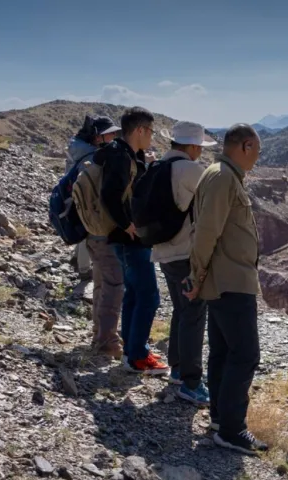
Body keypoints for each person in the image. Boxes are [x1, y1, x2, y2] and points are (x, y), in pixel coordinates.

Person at [184, 124, 268, 455]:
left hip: (225, 281)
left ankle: (220, 420)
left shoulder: (220, 173)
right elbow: (206, 232)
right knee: (246, 354)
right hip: (230, 282)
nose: (257, 158)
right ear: (245, 146)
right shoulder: (223, 178)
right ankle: (233, 430)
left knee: (223, 352)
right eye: (257, 151)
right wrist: (195, 275)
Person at [96, 106, 169, 375]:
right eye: (150, 131)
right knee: (149, 295)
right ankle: (138, 355)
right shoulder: (119, 156)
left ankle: (131, 353)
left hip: (125, 238)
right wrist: (127, 225)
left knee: (135, 294)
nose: (151, 136)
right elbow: (110, 195)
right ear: (139, 130)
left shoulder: (127, 154)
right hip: (128, 238)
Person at [151, 121, 215, 405]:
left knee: (181, 309)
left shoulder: (157, 168)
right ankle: (191, 382)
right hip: (185, 254)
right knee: (193, 314)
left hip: (162, 252)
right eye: (199, 147)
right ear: (191, 146)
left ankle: (177, 369)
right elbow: (210, 208)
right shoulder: (190, 170)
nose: (200, 152)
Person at [66, 116, 120, 281]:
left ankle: (77, 261)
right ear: (98, 137)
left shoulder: (79, 150)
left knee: (82, 229)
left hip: (76, 197)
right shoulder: (91, 156)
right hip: (86, 199)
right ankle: (84, 271)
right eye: (110, 134)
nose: (114, 137)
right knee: (87, 231)